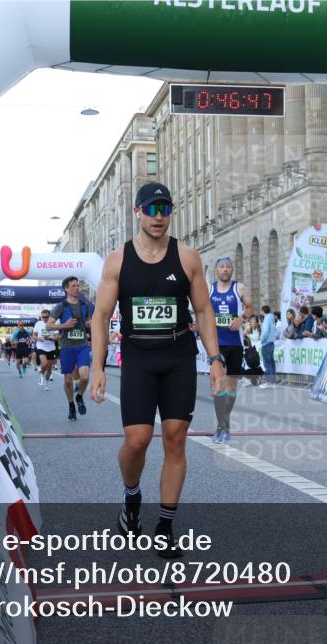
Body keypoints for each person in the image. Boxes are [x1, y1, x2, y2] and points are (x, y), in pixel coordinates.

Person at [89, 181, 225, 559]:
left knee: (175, 437)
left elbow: (203, 311)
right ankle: (132, 497)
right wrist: (97, 367)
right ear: (137, 213)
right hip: (138, 357)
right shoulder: (117, 260)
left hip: (178, 355)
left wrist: (215, 359)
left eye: (164, 208)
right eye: (151, 209)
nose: (159, 216)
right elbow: (100, 316)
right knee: (136, 440)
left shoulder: (188, 257)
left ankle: (165, 525)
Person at [208, 256, 254, 443]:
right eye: (222, 267)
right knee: (219, 385)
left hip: (235, 343)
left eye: (228, 267)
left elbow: (250, 307)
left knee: (231, 387)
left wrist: (242, 317)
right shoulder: (208, 289)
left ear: (232, 270)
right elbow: (200, 310)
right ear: (216, 271)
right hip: (216, 345)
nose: (225, 270)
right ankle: (221, 425)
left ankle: (225, 420)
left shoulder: (239, 288)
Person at [47, 277, 95, 420]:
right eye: (73, 286)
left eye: (78, 285)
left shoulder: (84, 304)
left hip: (82, 345)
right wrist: (63, 326)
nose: (77, 288)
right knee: (68, 380)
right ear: (66, 289)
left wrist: (89, 324)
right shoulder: (61, 306)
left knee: (85, 376)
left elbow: (88, 322)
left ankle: (79, 396)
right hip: (67, 347)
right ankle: (71, 405)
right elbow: (48, 325)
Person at [33, 308, 59, 391]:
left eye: (46, 317)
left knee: (49, 369)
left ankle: (46, 384)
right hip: (41, 346)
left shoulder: (53, 324)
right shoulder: (38, 324)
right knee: (44, 364)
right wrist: (38, 338)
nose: (44, 318)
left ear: (49, 316)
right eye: (43, 317)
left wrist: (51, 338)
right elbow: (34, 336)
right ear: (41, 317)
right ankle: (41, 374)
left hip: (51, 348)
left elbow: (57, 337)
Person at [259, 305, 277, 386]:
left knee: (267, 363)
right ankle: (273, 380)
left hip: (266, 343)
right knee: (271, 362)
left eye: (261, 310)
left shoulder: (266, 319)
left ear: (263, 311)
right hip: (271, 343)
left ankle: (269, 381)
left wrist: (262, 339)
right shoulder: (272, 318)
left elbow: (265, 331)